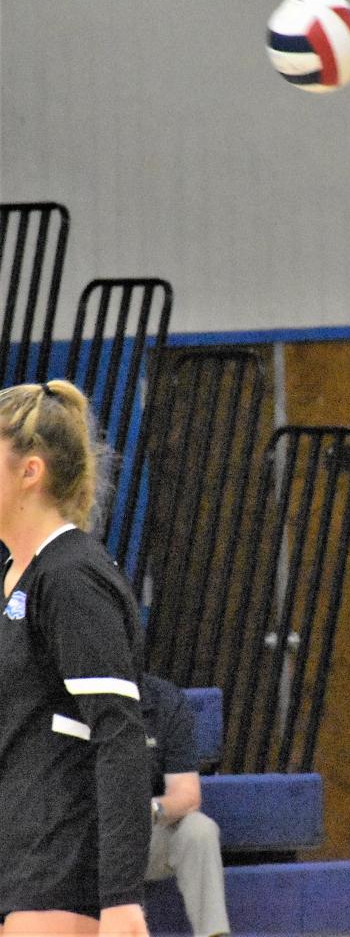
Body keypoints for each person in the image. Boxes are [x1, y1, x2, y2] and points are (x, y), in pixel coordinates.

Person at [0, 380, 151, 937]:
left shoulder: (71, 578)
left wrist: (121, 900)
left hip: (62, 873)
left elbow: (119, 737)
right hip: (19, 866)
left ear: (30, 471)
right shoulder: (18, 578)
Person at [141, 673, 230, 937]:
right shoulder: (69, 700)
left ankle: (213, 934)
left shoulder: (164, 699)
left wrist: (151, 810)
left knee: (199, 829)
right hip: (89, 839)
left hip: (147, 830)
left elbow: (188, 794)